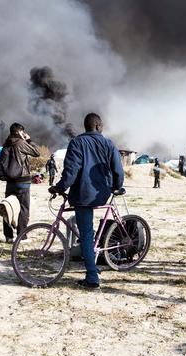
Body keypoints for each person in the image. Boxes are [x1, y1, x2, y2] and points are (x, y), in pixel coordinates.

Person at [49, 113, 124, 289]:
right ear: (98, 126)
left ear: (87, 126)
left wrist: (59, 188)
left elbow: (71, 172)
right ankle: (92, 258)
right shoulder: (109, 143)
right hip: (102, 193)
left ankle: (92, 278)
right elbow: (118, 170)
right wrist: (116, 186)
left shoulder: (76, 143)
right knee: (88, 232)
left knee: (86, 234)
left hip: (83, 194)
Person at [0, 122, 40, 243]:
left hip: (10, 182)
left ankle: (8, 236)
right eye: (23, 131)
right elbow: (36, 152)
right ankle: (22, 236)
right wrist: (29, 140)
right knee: (23, 208)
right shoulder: (20, 143)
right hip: (22, 181)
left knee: (8, 207)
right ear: (19, 132)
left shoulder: (6, 144)